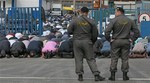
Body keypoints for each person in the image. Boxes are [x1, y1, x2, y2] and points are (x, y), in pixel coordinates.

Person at [67, 7, 105, 81]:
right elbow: (95, 34)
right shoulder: (92, 21)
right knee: (90, 59)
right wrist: (92, 41)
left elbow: (69, 31)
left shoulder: (74, 21)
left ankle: (80, 76)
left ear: (80, 12)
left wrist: (76, 33)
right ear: (87, 12)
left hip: (77, 41)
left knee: (78, 59)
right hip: (87, 41)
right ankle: (96, 75)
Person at [105, 7, 140, 81]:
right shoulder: (130, 21)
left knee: (114, 58)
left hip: (116, 41)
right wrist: (132, 39)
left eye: (115, 12)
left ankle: (112, 76)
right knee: (125, 59)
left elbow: (107, 32)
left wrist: (110, 39)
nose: (115, 14)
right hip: (126, 41)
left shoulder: (114, 20)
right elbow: (137, 32)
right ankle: (125, 76)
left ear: (119, 12)